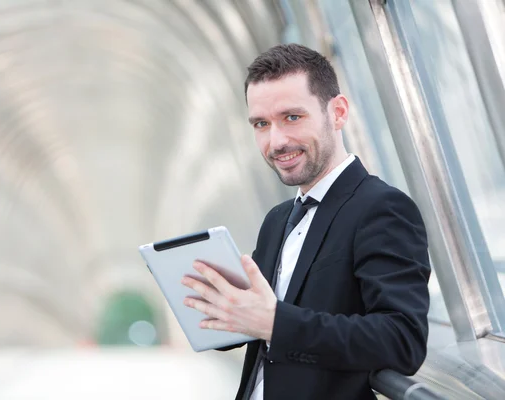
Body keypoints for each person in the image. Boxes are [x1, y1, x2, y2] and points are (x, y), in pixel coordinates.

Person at [181, 43, 431, 400]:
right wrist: (219, 308)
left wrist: (275, 323)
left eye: (292, 118)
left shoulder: (382, 208)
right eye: (262, 124)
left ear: (338, 113)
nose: (276, 141)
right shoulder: (277, 220)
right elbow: (261, 322)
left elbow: (401, 339)